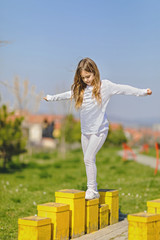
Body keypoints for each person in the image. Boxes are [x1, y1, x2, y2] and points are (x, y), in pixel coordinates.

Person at [43, 58, 152, 200]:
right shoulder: (80, 89)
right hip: (85, 132)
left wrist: (143, 92)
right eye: (83, 78)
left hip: (99, 130)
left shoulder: (105, 86)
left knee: (89, 158)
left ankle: (92, 190)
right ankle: (93, 189)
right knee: (87, 160)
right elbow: (67, 94)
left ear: (95, 72)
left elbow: (124, 89)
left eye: (88, 76)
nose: (86, 80)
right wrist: (51, 98)